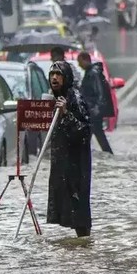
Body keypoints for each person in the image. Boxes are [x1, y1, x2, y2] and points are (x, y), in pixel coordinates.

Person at [46, 61, 93, 238]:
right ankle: (78, 249)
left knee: (78, 211)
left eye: (58, 74)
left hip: (76, 165)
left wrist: (66, 113)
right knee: (66, 207)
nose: (55, 78)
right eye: (52, 75)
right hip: (63, 163)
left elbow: (85, 131)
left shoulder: (75, 97)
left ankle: (84, 244)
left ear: (66, 78)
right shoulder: (55, 98)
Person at [77, 52, 114, 154]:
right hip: (91, 110)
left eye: (80, 62)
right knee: (95, 134)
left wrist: (96, 109)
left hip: (93, 111)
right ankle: (106, 153)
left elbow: (100, 92)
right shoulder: (90, 73)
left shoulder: (93, 73)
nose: (79, 65)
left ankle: (81, 154)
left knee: (89, 133)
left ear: (85, 60)